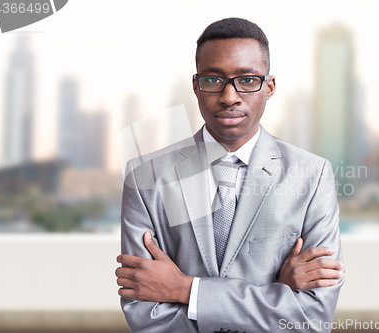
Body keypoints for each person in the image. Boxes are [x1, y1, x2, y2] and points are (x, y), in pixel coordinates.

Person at [115, 17, 345, 333]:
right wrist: (276, 293)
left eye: (248, 80)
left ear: (270, 87)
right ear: (195, 85)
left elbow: (312, 318)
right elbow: (146, 318)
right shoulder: (145, 178)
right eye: (213, 80)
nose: (229, 97)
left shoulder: (312, 175)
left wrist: (185, 289)